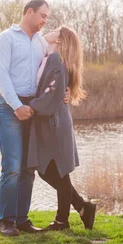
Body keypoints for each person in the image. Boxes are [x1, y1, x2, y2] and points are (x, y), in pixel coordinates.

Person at [26, 26, 97, 231]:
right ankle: (82, 208)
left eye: (56, 30)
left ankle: (62, 221)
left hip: (53, 123)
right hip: (51, 122)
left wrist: (29, 107)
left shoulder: (57, 60)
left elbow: (51, 94)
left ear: (60, 40)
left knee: (54, 170)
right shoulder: (51, 59)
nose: (50, 30)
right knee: (51, 171)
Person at [0, 0, 49, 237]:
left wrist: (65, 90)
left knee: (29, 168)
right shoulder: (6, 38)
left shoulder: (41, 42)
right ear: (29, 12)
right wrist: (16, 106)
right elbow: (0, 74)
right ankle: (6, 221)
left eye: (47, 17)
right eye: (42, 15)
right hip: (8, 106)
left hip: (32, 107)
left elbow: (51, 71)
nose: (45, 20)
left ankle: (22, 219)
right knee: (12, 166)